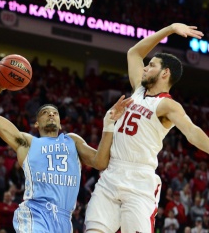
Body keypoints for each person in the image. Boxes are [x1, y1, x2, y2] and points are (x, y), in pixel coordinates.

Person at [85, 23, 209, 233]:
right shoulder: (138, 90)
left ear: (165, 73)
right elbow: (134, 52)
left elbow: (192, 132)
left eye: (151, 65)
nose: (144, 67)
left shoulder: (167, 105)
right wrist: (169, 29)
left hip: (139, 180)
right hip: (112, 173)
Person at [0, 77, 131, 233]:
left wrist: (108, 123)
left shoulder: (72, 141)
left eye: (55, 113)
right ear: (37, 123)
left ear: (60, 123)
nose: (51, 115)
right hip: (35, 213)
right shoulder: (27, 143)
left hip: (64, 220)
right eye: (45, 113)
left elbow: (100, 162)